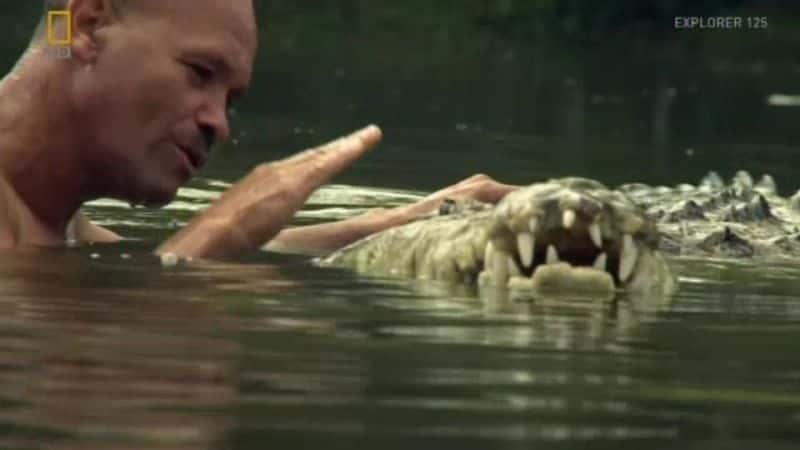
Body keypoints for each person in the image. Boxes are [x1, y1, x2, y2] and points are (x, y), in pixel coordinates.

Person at [0, 0, 517, 260]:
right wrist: (211, 237)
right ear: (88, 26)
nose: (219, 124)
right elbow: (184, 260)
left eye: (231, 100)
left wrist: (420, 219)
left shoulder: (56, 226)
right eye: (200, 73)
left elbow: (240, 245)